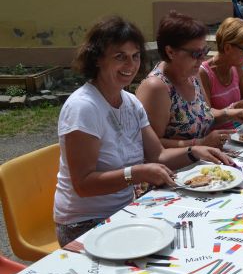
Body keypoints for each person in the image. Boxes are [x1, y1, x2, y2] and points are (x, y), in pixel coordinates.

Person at [54, 16, 232, 246]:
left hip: (126, 210)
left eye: (135, 56)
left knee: (200, 233)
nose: (130, 65)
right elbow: (83, 184)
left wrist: (194, 151)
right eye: (120, 57)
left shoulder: (130, 102)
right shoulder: (83, 107)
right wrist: (136, 173)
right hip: (85, 224)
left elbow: (157, 155)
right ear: (97, 59)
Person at [136, 11, 243, 149]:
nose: (202, 58)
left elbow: (202, 115)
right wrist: (199, 144)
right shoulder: (156, 87)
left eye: (205, 51)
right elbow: (150, 146)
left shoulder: (192, 75)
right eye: (196, 54)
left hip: (203, 159)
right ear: (170, 52)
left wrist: (229, 113)